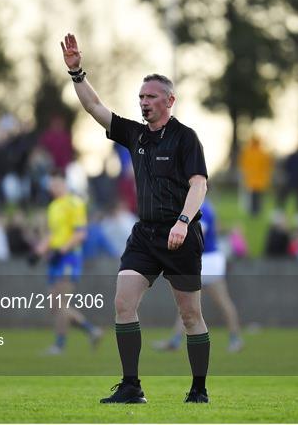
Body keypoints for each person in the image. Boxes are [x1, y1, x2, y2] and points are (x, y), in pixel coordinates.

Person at [61, 33, 209, 403]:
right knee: (123, 304)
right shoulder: (136, 135)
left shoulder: (186, 138)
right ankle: (131, 387)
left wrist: (183, 221)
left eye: (151, 97)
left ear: (169, 101)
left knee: (190, 316)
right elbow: (94, 107)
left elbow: (199, 184)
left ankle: (198, 389)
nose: (143, 102)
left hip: (181, 236)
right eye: (141, 97)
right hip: (144, 235)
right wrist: (77, 72)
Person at [153, 199, 244, 354]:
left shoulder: (203, 208)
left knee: (221, 301)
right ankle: (175, 340)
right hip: (202, 259)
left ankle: (235, 338)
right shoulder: (196, 206)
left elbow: (197, 234)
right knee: (186, 302)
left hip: (208, 260)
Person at [35, 170, 103, 355]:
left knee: (61, 302)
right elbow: (52, 233)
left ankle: (59, 345)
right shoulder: (53, 206)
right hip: (55, 257)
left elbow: (80, 233)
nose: (52, 187)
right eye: (51, 185)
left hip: (69, 256)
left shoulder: (74, 203)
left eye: (56, 184)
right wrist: (40, 250)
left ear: (64, 184)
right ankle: (91, 330)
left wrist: (62, 249)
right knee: (54, 305)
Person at [238, 136, 272, 216]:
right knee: (253, 198)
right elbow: (244, 165)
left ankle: (256, 212)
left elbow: (266, 167)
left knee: (257, 198)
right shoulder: (250, 153)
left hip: (257, 180)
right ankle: (253, 212)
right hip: (253, 180)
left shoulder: (259, 153)